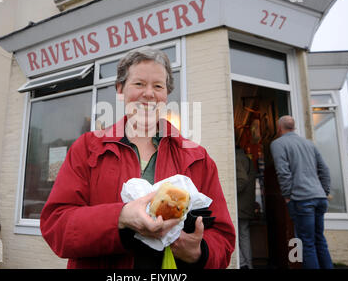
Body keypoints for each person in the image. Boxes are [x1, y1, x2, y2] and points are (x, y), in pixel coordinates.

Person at [40, 47, 236, 269]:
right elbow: (56, 226)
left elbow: (223, 237)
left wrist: (200, 252)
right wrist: (120, 218)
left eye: (158, 86)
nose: (149, 94)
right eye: (139, 84)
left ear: (166, 95)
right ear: (120, 89)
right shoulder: (86, 149)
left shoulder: (197, 157)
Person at [270, 115, 333, 269]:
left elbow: (283, 172)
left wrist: (287, 196)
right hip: (319, 198)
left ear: (279, 128)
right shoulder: (308, 144)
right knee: (319, 240)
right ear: (294, 127)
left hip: (302, 200)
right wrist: (324, 192)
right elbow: (325, 169)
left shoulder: (278, 144)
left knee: (306, 243)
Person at [235, 145, 257, 269]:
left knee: (236, 233)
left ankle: (243, 264)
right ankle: (248, 264)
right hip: (246, 204)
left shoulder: (236, 158)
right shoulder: (247, 158)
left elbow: (242, 180)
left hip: (239, 205)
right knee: (244, 234)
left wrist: (231, 193)